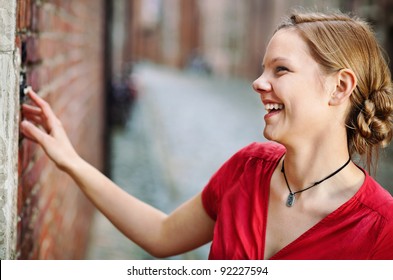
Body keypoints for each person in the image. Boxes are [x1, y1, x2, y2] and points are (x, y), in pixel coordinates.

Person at [20, 10, 393, 260]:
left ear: (339, 87)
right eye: (262, 69)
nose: (258, 82)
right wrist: (70, 161)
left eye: (280, 70)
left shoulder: (381, 229)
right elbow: (163, 234)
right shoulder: (245, 170)